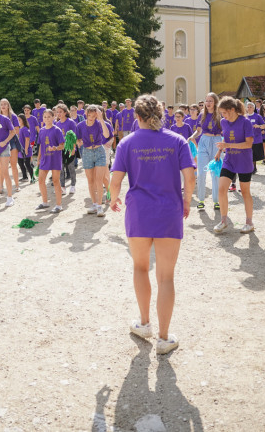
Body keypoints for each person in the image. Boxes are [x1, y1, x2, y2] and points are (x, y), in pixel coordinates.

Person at [109, 94, 195, 355]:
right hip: (169, 210)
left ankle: (145, 323)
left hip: (139, 212)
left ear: (136, 116)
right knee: (166, 277)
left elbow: (115, 181)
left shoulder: (127, 142)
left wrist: (113, 199)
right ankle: (164, 338)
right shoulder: (177, 140)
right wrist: (187, 201)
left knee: (140, 267)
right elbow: (190, 177)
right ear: (161, 114)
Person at [214, 97, 255, 234]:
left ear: (232, 109)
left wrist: (228, 145)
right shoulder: (223, 122)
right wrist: (220, 150)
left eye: (224, 112)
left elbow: (248, 144)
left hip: (244, 161)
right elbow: (225, 138)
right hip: (229, 161)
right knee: (221, 189)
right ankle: (223, 220)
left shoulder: (245, 122)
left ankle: (249, 222)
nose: (222, 116)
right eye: (221, 113)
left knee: (245, 192)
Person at [75, 105, 111, 216]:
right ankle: (94, 204)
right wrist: (79, 143)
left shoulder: (100, 123)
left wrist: (101, 119)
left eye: (94, 116)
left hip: (99, 151)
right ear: (86, 113)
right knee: (90, 181)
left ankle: (100, 206)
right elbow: (78, 139)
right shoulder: (80, 125)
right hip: (87, 152)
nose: (91, 118)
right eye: (90, 115)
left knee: (99, 180)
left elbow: (106, 135)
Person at [36, 109, 65, 213]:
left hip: (55, 159)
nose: (47, 119)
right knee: (40, 180)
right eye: (45, 117)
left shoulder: (57, 130)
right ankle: (45, 202)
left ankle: (59, 205)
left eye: (49, 117)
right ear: (43, 119)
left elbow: (62, 145)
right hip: (44, 159)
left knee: (56, 181)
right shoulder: (41, 130)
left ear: (53, 117)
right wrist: (38, 158)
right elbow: (41, 146)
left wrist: (55, 148)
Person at [0, 99, 22, 194]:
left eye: (5, 104)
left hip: (12, 141)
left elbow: (17, 130)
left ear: (8, 106)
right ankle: (1, 186)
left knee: (13, 165)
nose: (3, 106)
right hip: (1, 142)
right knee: (2, 166)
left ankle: (17, 185)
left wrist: (6, 133)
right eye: (1, 104)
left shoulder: (13, 116)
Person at [55, 104, 78, 194]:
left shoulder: (71, 122)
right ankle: (62, 187)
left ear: (65, 112)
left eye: (60, 112)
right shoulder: (57, 124)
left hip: (70, 148)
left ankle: (73, 185)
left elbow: (74, 137)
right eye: (57, 112)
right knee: (61, 168)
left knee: (71, 167)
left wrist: (73, 149)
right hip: (61, 149)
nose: (59, 114)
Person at [245, 101, 265, 173]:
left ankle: (253, 168)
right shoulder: (245, 117)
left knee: (253, 154)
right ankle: (250, 167)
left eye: (250, 107)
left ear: (253, 108)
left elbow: (264, 126)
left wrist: (259, 126)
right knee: (247, 154)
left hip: (256, 139)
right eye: (248, 107)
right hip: (246, 138)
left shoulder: (257, 116)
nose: (249, 108)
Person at [17, 114, 35, 184]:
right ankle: (25, 177)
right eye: (18, 120)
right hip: (20, 150)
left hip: (26, 150)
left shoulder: (25, 129)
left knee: (28, 164)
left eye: (19, 120)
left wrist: (26, 149)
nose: (18, 121)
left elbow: (27, 139)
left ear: (23, 120)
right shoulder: (20, 128)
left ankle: (33, 178)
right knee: (20, 163)